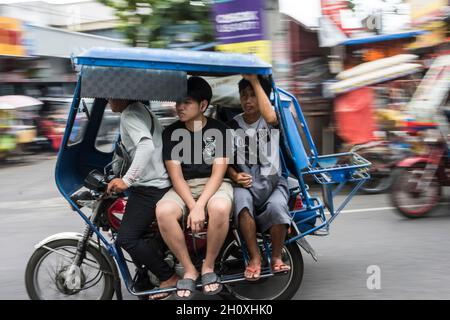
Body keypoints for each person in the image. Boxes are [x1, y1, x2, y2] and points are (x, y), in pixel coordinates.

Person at [156, 76, 233, 299]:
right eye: (178, 101)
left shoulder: (221, 130)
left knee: (219, 208)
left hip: (215, 185)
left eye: (186, 102)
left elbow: (219, 173)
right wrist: (193, 205)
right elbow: (176, 176)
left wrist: (200, 205)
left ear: (203, 105)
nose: (180, 107)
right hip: (184, 188)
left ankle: (208, 267)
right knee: (164, 211)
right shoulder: (170, 133)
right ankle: (189, 268)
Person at [106, 99, 179, 299]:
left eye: (111, 95)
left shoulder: (129, 114)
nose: (108, 100)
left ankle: (168, 276)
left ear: (124, 94)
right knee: (134, 231)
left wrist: (127, 180)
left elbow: (145, 146)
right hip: (156, 182)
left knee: (126, 238)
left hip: (150, 187)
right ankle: (145, 276)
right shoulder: (140, 108)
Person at [227, 74, 292, 281]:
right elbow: (224, 161)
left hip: (273, 183)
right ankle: (255, 258)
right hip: (245, 185)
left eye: (253, 96)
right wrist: (236, 175)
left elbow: (272, 118)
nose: (247, 101)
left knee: (277, 207)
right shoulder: (232, 125)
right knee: (242, 205)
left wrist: (255, 80)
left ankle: (276, 257)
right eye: (244, 95)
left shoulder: (269, 120)